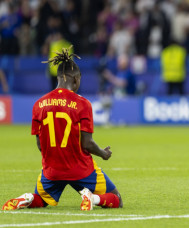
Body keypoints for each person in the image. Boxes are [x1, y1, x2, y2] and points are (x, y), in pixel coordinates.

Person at [2, 46, 123, 211]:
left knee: (41, 199)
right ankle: (92, 198)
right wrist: (103, 153)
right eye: (79, 79)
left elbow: (40, 145)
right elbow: (87, 144)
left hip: (52, 171)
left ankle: (27, 199)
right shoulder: (82, 104)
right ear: (74, 78)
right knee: (117, 199)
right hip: (81, 169)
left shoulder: (39, 104)